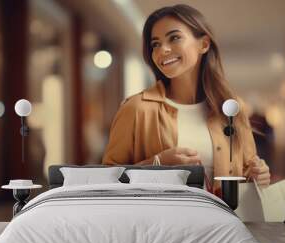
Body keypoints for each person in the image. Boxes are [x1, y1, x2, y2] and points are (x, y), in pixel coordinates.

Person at [102, 4, 270, 197]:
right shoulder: (136, 108)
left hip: (221, 223)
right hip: (160, 224)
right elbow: (107, 181)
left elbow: (247, 172)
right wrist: (157, 164)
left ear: (204, 44)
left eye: (174, 38)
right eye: (155, 43)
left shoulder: (231, 108)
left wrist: (258, 175)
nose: (162, 49)